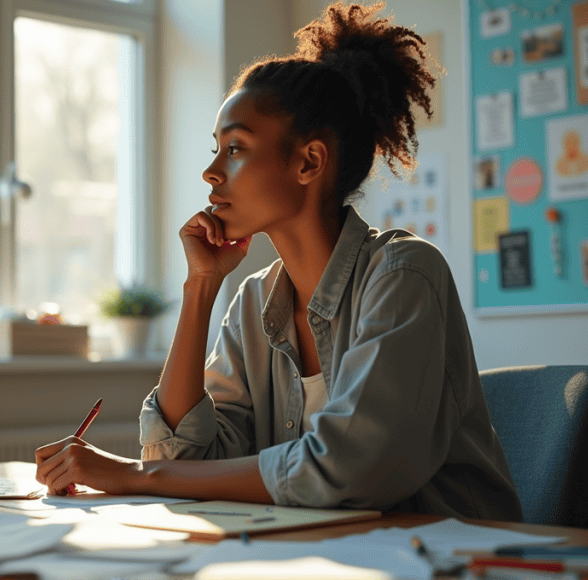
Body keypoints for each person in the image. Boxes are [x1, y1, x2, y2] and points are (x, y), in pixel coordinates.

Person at [36, 1, 523, 521]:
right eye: (216, 149)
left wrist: (132, 475)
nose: (210, 172)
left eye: (235, 149)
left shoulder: (404, 275)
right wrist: (201, 287)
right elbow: (182, 458)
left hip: (454, 560)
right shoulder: (253, 303)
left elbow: (342, 469)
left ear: (308, 161)